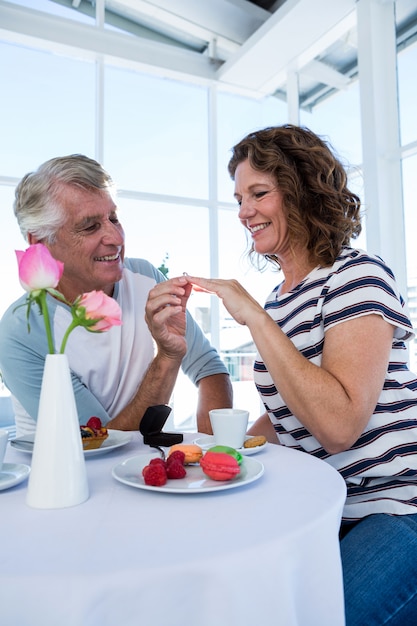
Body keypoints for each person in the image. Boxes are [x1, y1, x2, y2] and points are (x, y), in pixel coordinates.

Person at [184, 125, 417, 625]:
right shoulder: (280, 301)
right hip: (324, 508)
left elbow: (338, 425)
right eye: (239, 198)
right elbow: (289, 414)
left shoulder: (357, 275)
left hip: (395, 506)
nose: (244, 210)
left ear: (303, 191)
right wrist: (221, 455)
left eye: (259, 193)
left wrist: (254, 317)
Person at [0, 154, 232, 436]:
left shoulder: (145, 279)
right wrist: (167, 358)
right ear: (41, 242)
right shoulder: (21, 329)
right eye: (90, 226)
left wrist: (217, 451)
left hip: (146, 473)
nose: (116, 238)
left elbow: (208, 368)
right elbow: (100, 440)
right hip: (66, 475)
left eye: (114, 218)